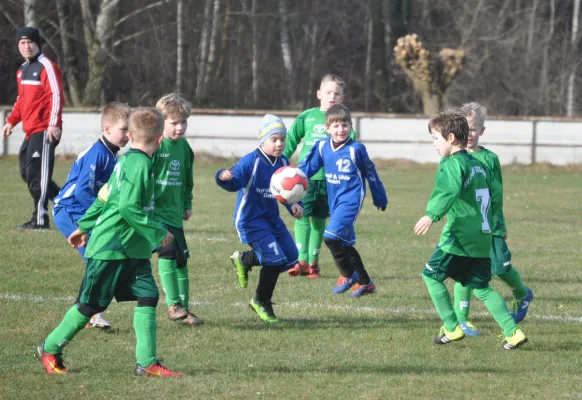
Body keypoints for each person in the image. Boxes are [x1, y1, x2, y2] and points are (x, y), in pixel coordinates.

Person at [35, 108, 182, 377]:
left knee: (148, 296)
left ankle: (146, 363)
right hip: (112, 249)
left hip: (132, 250)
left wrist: (83, 226)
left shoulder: (125, 160)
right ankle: (50, 347)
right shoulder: (137, 165)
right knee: (90, 305)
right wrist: (157, 232)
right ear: (160, 139)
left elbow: (104, 197)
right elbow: (126, 207)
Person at [414, 109, 527, 350]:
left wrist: (430, 215)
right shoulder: (479, 165)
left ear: (451, 138)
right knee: (481, 288)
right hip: (483, 236)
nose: (434, 144)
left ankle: (452, 327)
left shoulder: (452, 164)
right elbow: (496, 194)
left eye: (436, 138)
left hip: (459, 237)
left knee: (430, 276)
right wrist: (489, 219)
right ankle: (513, 332)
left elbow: (448, 190)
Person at [451, 102, 533, 336]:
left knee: (500, 267)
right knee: (462, 270)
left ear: (482, 131)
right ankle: (462, 319)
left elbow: (497, 194)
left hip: (491, 226)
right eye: (465, 129)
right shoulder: (454, 159)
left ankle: (522, 293)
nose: (470, 134)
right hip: (466, 227)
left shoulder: (490, 159)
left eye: (474, 129)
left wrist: (501, 223)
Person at [216, 114, 303, 323]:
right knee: (275, 260)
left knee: (291, 258)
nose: (279, 143)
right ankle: (260, 301)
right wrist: (223, 176)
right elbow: (233, 179)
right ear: (262, 140)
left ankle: (244, 259)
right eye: (274, 139)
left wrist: (294, 205)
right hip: (250, 220)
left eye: (282, 139)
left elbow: (283, 191)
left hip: (272, 220)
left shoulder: (282, 162)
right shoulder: (251, 161)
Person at [52, 102, 131, 330]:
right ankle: (89, 312)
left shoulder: (112, 155)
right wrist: (101, 219)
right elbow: (82, 192)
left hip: (81, 212)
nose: (127, 134)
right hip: (70, 210)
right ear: (107, 129)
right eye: (123, 129)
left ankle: (86, 310)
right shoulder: (98, 154)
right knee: (98, 258)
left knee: (100, 258)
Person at [298, 104, 388, 297]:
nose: (341, 130)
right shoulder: (322, 146)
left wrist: (379, 196)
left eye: (345, 125)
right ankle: (366, 282)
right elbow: (309, 168)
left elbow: (371, 174)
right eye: (336, 126)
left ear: (351, 127)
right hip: (335, 200)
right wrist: (294, 180)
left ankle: (348, 275)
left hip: (351, 200)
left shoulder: (356, 149)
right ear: (327, 128)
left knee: (330, 236)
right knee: (345, 244)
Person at [283, 74, 356, 278]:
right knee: (301, 216)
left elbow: (352, 148)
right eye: (328, 92)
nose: (332, 96)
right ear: (319, 94)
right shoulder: (308, 116)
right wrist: (280, 162)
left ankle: (314, 263)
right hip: (304, 179)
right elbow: (291, 140)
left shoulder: (342, 121)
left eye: (337, 94)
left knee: (319, 221)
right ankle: (301, 260)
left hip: (331, 181)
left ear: (342, 98)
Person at [2, 26, 64, 230]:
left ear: (38, 44)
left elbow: (55, 95)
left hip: (45, 129)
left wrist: (53, 123)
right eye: (22, 42)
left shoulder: (47, 66)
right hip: (31, 131)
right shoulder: (22, 70)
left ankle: (40, 219)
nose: (26, 46)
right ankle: (67, 201)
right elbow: (21, 100)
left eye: (30, 42)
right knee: (27, 174)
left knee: (37, 176)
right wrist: (11, 121)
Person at [152, 93, 203, 326]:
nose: (180, 128)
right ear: (161, 122)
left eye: (183, 122)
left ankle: (184, 309)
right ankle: (173, 304)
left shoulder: (184, 148)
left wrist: (187, 204)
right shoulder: (154, 145)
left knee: (182, 260)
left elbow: (187, 179)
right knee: (168, 251)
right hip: (155, 214)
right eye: (174, 123)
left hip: (175, 214)